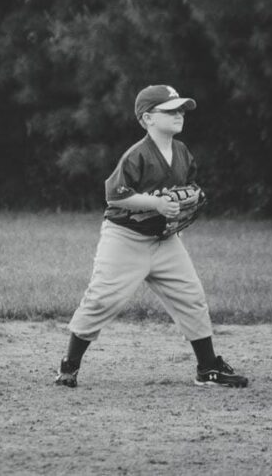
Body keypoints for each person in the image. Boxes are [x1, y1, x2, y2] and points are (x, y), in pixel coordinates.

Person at [54, 84, 249, 388]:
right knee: (102, 300)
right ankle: (69, 366)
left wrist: (187, 201)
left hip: (164, 240)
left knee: (192, 297)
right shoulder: (137, 154)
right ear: (147, 118)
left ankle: (208, 368)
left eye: (181, 108)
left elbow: (190, 187)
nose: (179, 114)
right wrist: (156, 203)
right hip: (125, 239)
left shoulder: (182, 151)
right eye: (170, 110)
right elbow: (114, 195)